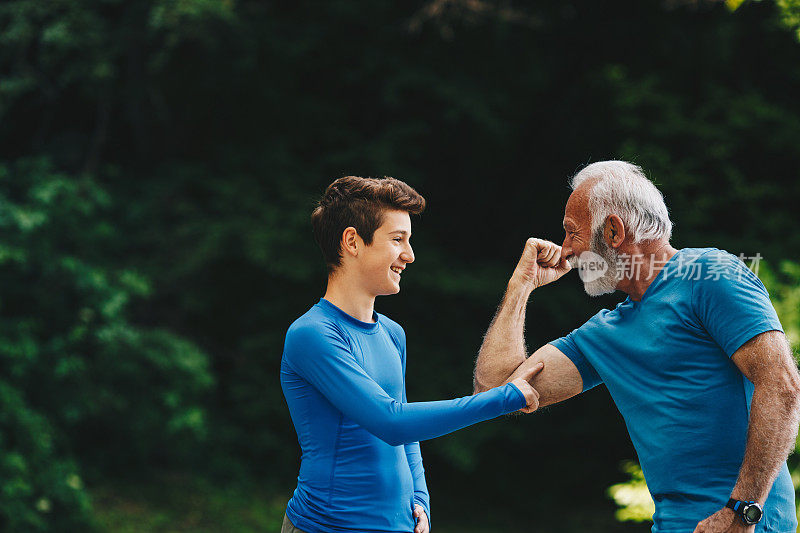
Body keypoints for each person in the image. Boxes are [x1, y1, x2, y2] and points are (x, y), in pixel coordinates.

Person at [473, 161, 800, 533]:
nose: (565, 252)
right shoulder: (604, 333)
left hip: (747, 523)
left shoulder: (711, 274)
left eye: (571, 234)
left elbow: (783, 386)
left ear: (613, 231)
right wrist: (522, 284)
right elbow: (495, 391)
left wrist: (742, 511)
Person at [280, 176, 542, 533]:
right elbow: (392, 421)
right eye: (397, 239)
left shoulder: (392, 333)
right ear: (353, 242)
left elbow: (406, 434)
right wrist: (505, 398)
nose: (410, 254)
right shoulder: (313, 335)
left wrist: (420, 499)